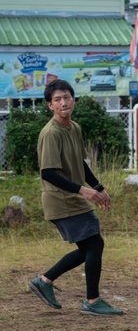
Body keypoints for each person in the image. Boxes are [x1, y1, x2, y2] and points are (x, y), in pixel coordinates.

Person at [28, 79, 123, 315]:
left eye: (67, 97)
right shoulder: (51, 133)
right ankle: (91, 301)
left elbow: (80, 163)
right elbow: (48, 173)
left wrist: (98, 187)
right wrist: (84, 190)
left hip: (72, 197)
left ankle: (45, 281)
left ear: (74, 100)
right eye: (57, 99)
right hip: (60, 199)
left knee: (90, 247)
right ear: (50, 105)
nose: (63, 103)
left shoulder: (74, 128)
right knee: (94, 244)